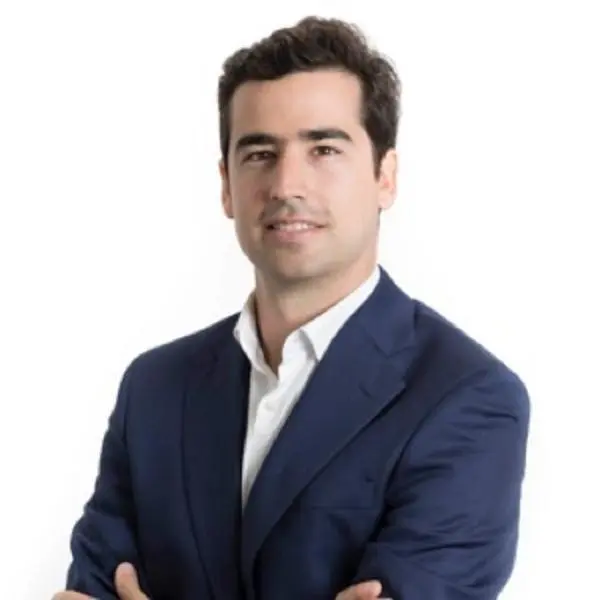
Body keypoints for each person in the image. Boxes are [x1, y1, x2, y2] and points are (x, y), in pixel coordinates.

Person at [53, 15, 530, 600]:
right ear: (226, 185)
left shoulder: (468, 399)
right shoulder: (153, 390)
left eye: (324, 149)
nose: (286, 185)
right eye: (260, 153)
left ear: (385, 176)